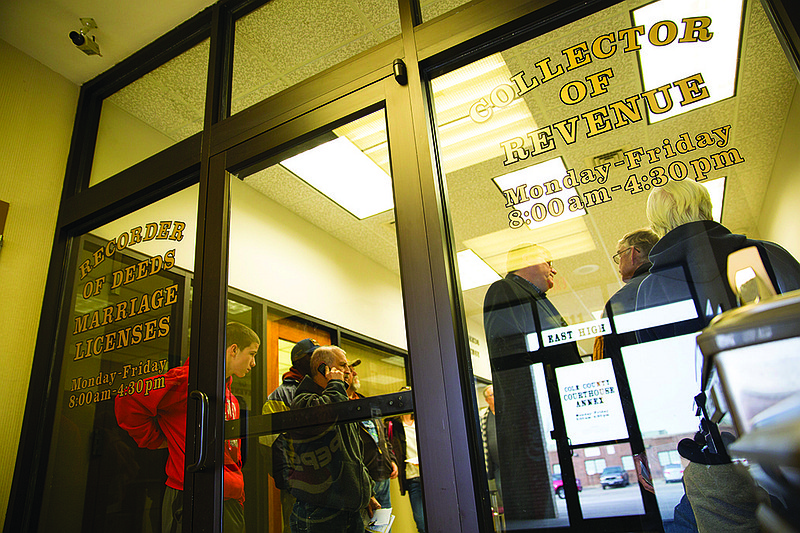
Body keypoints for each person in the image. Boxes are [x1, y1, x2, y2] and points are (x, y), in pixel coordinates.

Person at [635, 179, 800, 532]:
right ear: (707, 206)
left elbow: (662, 381)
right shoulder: (768, 255)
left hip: (722, 443)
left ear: (657, 224)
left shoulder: (651, 290)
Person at [115, 322, 260, 533]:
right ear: (234, 350)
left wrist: (239, 495)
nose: (254, 363)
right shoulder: (189, 381)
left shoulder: (231, 399)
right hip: (191, 492)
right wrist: (158, 439)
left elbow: (232, 452)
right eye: (252, 354)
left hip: (228, 497)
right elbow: (128, 400)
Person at [483, 243, 581, 521]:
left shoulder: (535, 297)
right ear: (526, 262)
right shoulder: (505, 290)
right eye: (548, 262)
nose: (554, 269)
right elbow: (512, 358)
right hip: (532, 416)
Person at [636, 179, 800, 340]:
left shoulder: (648, 292)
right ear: (707, 207)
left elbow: (656, 359)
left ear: (656, 225)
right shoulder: (765, 253)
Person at [286, 345, 379, 533]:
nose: (348, 371)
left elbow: (354, 455)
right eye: (343, 366)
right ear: (323, 368)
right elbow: (326, 416)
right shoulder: (304, 400)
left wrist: (367, 491)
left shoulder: (339, 399)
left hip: (348, 509)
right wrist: (335, 384)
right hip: (320, 511)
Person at [262, 338, 320, 533]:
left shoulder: (321, 391)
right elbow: (270, 444)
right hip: (298, 486)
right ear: (299, 360)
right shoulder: (280, 396)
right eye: (312, 357)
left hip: (325, 482)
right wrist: (289, 482)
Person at [593, 229, 659, 359]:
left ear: (633, 253)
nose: (619, 262)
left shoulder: (617, 303)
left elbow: (613, 358)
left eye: (620, 254)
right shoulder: (671, 284)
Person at [346, 360, 398, 515]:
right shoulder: (342, 408)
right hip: (363, 482)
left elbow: (382, 436)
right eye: (350, 370)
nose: (355, 373)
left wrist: (392, 460)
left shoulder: (366, 402)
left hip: (383, 476)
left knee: (384, 526)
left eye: (354, 370)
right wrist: (365, 489)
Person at [386, 407, 425, 533]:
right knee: (421, 521)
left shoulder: (421, 420)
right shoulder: (395, 426)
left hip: (429, 475)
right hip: (412, 476)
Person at [479, 385, 501, 504]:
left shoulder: (505, 412)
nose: (495, 396)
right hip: (496, 465)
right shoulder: (483, 416)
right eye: (492, 395)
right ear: (487, 400)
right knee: (501, 490)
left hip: (512, 463)